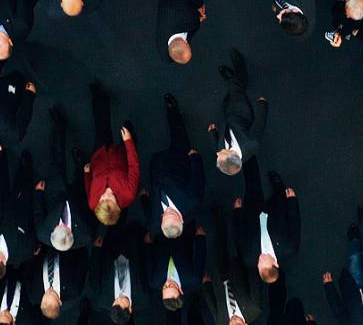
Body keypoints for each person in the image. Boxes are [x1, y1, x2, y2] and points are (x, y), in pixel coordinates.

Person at [142, 94, 205, 239]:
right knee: (179, 135)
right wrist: (195, 159)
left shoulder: (154, 223)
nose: (168, 209)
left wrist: (143, 199)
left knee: (154, 149)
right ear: (181, 219)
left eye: (165, 214)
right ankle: (173, 110)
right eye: (173, 213)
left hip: (158, 169)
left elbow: (149, 213)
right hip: (180, 164)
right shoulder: (193, 202)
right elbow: (198, 180)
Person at [33, 107, 97, 251]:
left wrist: (38, 193)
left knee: (57, 161)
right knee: (79, 174)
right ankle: (79, 161)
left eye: (56, 227)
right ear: (70, 233)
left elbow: (38, 212)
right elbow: (93, 217)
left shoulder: (43, 234)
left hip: (54, 195)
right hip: (78, 197)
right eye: (63, 226)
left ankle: (59, 125)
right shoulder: (86, 235)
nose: (59, 224)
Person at [81, 84, 140, 226]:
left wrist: (87, 174)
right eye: (111, 199)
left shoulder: (92, 203)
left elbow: (88, 188)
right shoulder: (129, 194)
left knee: (101, 126)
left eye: (102, 199)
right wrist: (128, 142)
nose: (106, 194)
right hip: (120, 155)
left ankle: (99, 96)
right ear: (118, 207)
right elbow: (134, 166)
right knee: (128, 129)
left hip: (99, 156)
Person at [233, 162, 300, 284]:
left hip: (254, 214)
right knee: (279, 196)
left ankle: (248, 157)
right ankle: (277, 183)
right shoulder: (289, 248)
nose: (259, 258)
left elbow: (240, 235)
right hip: (276, 213)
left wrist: (238, 213)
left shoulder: (249, 258)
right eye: (263, 260)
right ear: (275, 263)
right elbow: (294, 223)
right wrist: (292, 201)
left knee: (252, 186)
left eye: (258, 264)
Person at [201, 206, 263, 325]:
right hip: (239, 269)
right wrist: (251, 262)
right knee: (236, 243)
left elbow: (212, 304)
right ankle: (237, 216)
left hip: (220, 278)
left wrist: (206, 285)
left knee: (218, 247)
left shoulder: (220, 323)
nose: (233, 320)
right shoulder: (254, 309)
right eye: (238, 323)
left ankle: (219, 220)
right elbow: (254, 282)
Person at [209, 49, 268, 176]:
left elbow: (216, 147)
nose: (218, 152)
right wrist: (262, 105)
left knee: (228, 98)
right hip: (242, 113)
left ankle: (232, 80)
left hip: (228, 117)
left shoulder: (224, 156)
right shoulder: (252, 144)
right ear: (232, 154)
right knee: (237, 89)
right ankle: (239, 66)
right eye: (221, 153)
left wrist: (213, 134)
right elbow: (260, 124)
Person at [85, 221, 149, 325]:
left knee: (114, 224)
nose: (119, 297)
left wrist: (96, 250)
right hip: (134, 248)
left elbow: (94, 273)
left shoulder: (101, 299)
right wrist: (147, 246)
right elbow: (147, 269)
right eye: (123, 300)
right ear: (130, 309)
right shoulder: (143, 297)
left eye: (115, 302)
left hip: (110, 250)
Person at [149, 223, 207, 311]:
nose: (168, 282)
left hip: (160, 235)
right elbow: (200, 256)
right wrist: (200, 238)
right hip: (183, 232)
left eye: (164, 287)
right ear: (181, 290)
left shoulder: (154, 281)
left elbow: (150, 260)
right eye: (172, 285)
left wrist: (148, 245)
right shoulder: (193, 278)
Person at [25, 248, 88, 320]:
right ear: (60, 301)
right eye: (52, 294)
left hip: (42, 247)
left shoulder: (33, 294)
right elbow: (82, 263)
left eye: (45, 296)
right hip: (67, 246)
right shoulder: (74, 289)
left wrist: (33, 256)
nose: (49, 290)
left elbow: (28, 273)